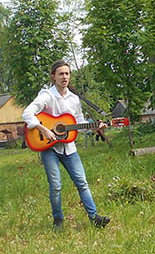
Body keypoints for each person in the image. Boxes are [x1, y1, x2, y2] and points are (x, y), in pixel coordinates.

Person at [22, 60, 111, 232]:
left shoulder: (74, 99)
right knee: (55, 186)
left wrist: (94, 127)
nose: (64, 77)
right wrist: (43, 129)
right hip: (49, 148)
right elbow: (27, 113)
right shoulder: (47, 96)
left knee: (82, 182)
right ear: (53, 76)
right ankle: (58, 220)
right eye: (61, 74)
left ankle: (94, 218)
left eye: (67, 74)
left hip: (69, 147)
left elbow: (78, 123)